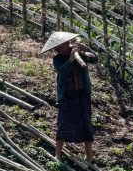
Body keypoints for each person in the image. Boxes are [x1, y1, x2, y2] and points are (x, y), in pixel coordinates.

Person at [40, 32, 98, 163]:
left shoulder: (80, 53)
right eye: (62, 46)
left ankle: (89, 157)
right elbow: (63, 70)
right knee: (63, 123)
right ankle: (58, 155)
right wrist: (71, 59)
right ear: (57, 49)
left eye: (66, 44)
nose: (66, 46)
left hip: (82, 93)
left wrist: (86, 49)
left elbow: (95, 58)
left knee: (86, 122)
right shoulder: (58, 59)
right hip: (67, 95)